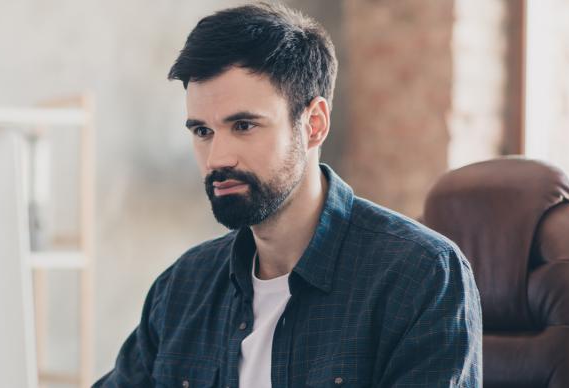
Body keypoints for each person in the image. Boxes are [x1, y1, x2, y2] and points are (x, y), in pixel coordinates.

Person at [95, 3, 482, 387]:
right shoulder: (183, 288)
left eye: (244, 125)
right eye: (202, 132)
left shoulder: (420, 275)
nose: (217, 158)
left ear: (313, 124)